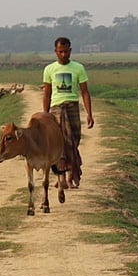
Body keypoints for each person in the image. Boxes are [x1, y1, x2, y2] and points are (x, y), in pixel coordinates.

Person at [42, 37, 93, 187]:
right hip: (56, 109)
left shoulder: (78, 68)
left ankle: (72, 174)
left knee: (73, 142)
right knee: (60, 144)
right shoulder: (49, 69)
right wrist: (45, 115)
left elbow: (84, 92)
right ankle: (62, 178)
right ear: (55, 52)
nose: (63, 55)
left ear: (70, 51)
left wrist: (89, 113)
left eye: (66, 51)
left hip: (72, 108)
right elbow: (47, 93)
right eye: (60, 52)